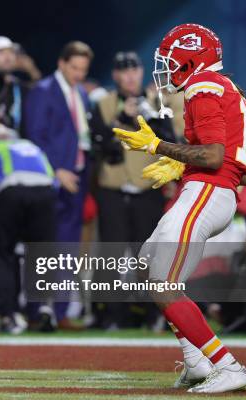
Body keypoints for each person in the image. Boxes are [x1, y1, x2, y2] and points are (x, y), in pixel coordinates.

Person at [113, 23, 246, 393]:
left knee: (163, 282)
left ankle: (227, 365)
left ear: (191, 59)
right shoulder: (227, 88)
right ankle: (195, 361)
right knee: (148, 265)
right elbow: (243, 172)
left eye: (171, 61)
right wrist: (183, 165)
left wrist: (159, 146)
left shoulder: (203, 86)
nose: (167, 70)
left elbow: (212, 155)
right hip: (213, 192)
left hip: (207, 191)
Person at [89, 51, 175, 329]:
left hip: (147, 187)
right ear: (115, 75)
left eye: (133, 69)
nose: (129, 75)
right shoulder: (103, 103)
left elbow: (172, 141)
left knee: (148, 254)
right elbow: (99, 143)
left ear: (141, 72)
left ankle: (152, 315)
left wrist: (150, 116)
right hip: (113, 187)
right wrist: (120, 119)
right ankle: (108, 315)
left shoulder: (156, 102)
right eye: (122, 70)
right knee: (110, 253)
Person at [24, 41, 93, 326]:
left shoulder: (81, 95)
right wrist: (56, 171)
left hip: (76, 180)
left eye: (83, 69)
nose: (78, 74)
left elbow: (82, 135)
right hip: (50, 181)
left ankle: (61, 312)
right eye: (74, 67)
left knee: (68, 247)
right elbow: (34, 137)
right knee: (43, 246)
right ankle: (36, 310)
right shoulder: (42, 92)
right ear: (61, 63)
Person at [0, 138, 56, 334]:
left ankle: (9, 316)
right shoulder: (33, 147)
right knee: (42, 253)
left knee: (2, 254)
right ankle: (44, 308)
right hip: (45, 192)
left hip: (11, 190)